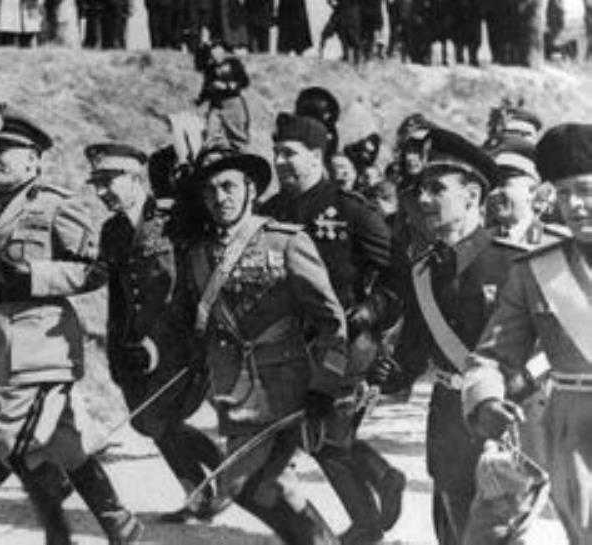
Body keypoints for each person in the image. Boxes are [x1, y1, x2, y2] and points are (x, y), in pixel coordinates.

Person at [166, 146, 366, 545]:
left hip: (287, 383)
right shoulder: (199, 254)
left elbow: (330, 321)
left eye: (228, 187)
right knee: (269, 486)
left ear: (251, 190)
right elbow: (194, 322)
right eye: (210, 191)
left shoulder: (285, 241)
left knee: (243, 482)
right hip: (233, 387)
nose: (220, 198)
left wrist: (325, 384)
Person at [0, 104, 142, 545]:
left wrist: (34, 276)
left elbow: (95, 270)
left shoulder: (55, 205)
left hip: (44, 343)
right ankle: (119, 524)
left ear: (33, 160)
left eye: (7, 150)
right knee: (63, 444)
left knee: (12, 441)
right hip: (0, 343)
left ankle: (58, 536)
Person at [367, 127, 525, 545]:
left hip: (503, 419)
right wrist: (389, 373)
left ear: (472, 196)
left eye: (437, 189)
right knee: (453, 530)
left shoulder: (513, 266)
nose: (422, 199)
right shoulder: (423, 271)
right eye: (420, 189)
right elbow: (414, 352)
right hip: (449, 419)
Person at [260, 113, 404, 544]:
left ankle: (367, 523)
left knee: (327, 434)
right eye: (276, 153)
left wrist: (370, 312)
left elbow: (397, 277)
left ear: (317, 156)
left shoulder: (352, 210)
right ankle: (381, 479)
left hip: (346, 340)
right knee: (321, 435)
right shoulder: (270, 212)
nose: (280, 162)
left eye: (289, 153)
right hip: (290, 343)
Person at [83, 142, 228, 524]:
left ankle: (223, 471)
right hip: (134, 347)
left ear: (135, 178)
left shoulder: (175, 218)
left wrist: (173, 339)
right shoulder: (112, 230)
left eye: (108, 182)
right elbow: (118, 296)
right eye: (96, 184)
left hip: (179, 341)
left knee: (156, 419)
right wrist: (118, 348)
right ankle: (200, 492)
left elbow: (191, 284)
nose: (101, 192)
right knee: (147, 422)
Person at [462, 122, 592, 545]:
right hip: (573, 433)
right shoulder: (537, 271)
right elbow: (492, 356)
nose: (575, 205)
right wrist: (486, 400)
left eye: (585, 190)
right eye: (564, 193)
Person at [195, 41, 250, 151]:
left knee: (237, 136)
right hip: (216, 105)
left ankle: (239, 155)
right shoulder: (210, 68)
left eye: (217, 53)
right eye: (212, 55)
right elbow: (206, 86)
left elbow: (244, 82)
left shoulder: (234, 63)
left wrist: (227, 86)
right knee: (211, 134)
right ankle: (213, 155)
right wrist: (200, 100)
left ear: (223, 51)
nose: (215, 57)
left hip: (232, 103)